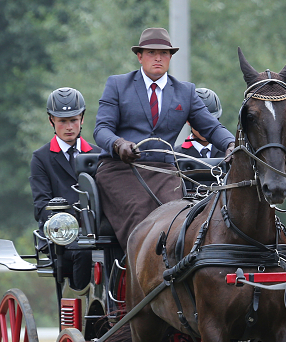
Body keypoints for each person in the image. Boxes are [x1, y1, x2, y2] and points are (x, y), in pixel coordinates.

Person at [94, 27, 235, 247]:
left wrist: (231, 143)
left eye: (164, 53)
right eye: (151, 52)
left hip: (164, 171)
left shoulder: (185, 92)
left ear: (170, 57)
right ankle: (136, 276)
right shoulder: (118, 85)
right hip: (120, 169)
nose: (158, 58)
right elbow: (101, 129)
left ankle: (176, 277)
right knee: (140, 217)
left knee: (179, 220)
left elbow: (212, 127)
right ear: (139, 56)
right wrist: (118, 144)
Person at [29, 87, 101, 292]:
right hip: (64, 236)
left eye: (73, 120)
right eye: (62, 121)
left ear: (82, 119)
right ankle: (80, 298)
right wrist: (70, 222)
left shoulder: (98, 154)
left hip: (96, 233)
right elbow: (41, 205)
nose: (69, 127)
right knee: (83, 252)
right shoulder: (41, 158)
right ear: (51, 120)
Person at [175, 87, 226, 159]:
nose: (206, 128)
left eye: (211, 122)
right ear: (188, 121)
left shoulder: (229, 153)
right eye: (200, 123)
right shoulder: (175, 156)